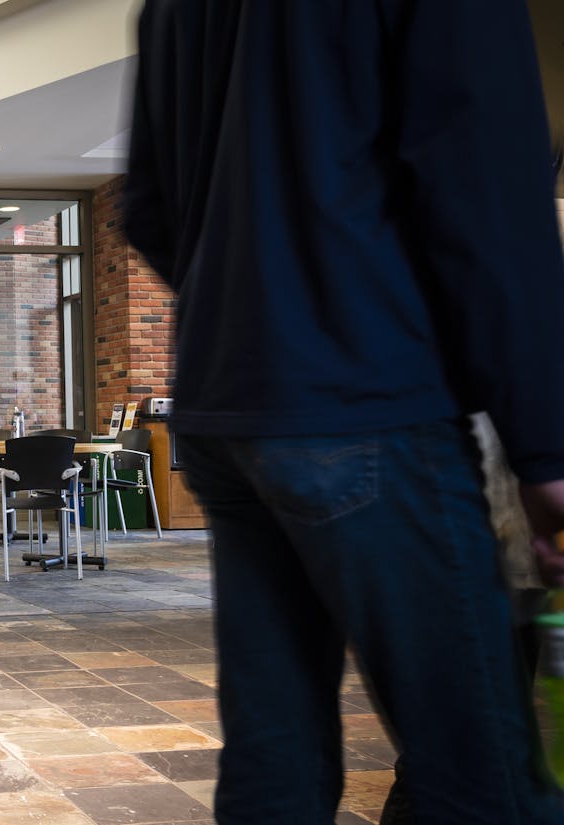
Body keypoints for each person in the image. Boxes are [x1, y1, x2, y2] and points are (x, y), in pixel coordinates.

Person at [123, 2, 564, 822]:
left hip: (229, 410)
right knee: (484, 776)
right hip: (368, 399)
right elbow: (489, 195)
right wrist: (546, 443)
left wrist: (253, 300)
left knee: (273, 758)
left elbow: (147, 204)